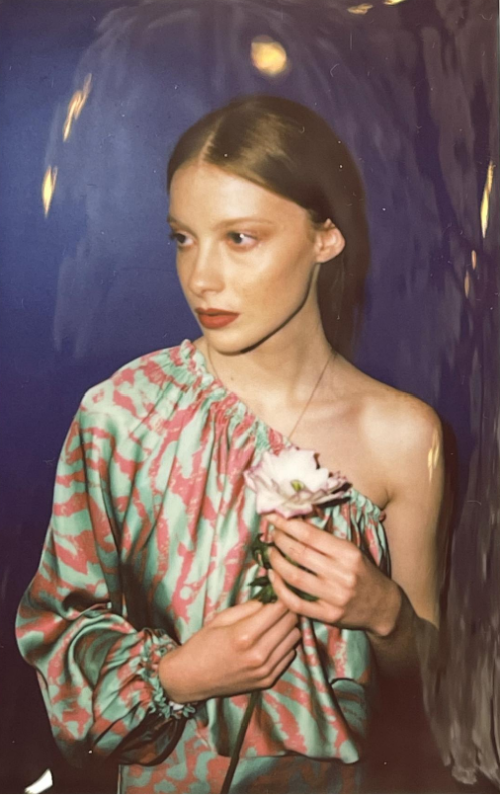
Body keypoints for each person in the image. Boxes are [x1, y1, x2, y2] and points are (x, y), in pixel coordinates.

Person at [16, 94, 444, 796]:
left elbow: (442, 690)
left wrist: (384, 613)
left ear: (326, 237)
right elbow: (56, 634)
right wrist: (180, 675)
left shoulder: (404, 435)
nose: (201, 278)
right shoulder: (123, 414)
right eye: (183, 239)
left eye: (240, 237)